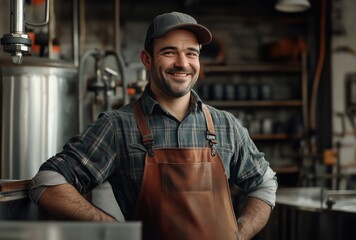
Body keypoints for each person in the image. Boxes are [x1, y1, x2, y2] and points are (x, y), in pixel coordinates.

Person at [29, 11, 277, 240]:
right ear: (147, 59)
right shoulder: (118, 127)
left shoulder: (226, 126)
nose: (183, 63)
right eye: (169, 52)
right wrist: (114, 230)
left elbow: (265, 184)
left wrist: (240, 234)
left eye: (191, 53)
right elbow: (47, 182)